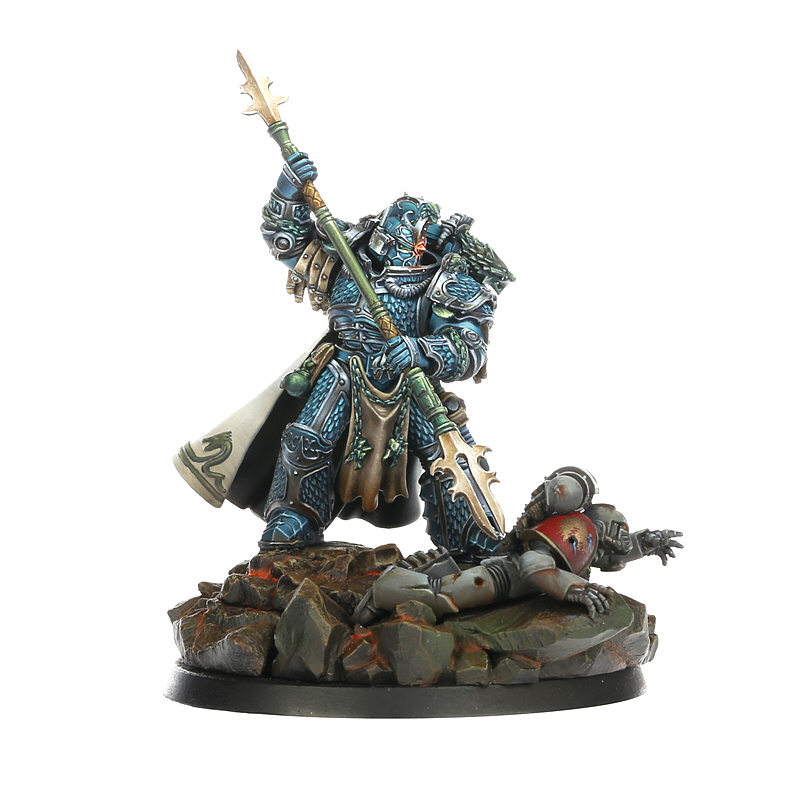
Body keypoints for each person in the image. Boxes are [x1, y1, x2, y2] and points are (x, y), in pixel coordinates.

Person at [250, 152, 514, 560]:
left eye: (408, 230)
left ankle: (473, 540)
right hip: (344, 369)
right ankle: (296, 517)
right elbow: (285, 237)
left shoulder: (449, 282)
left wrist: (420, 349)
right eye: (391, 222)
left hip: (411, 381)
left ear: (422, 242)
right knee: (305, 439)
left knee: (451, 457)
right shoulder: (346, 254)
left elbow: (469, 348)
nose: (392, 235)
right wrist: (289, 188)